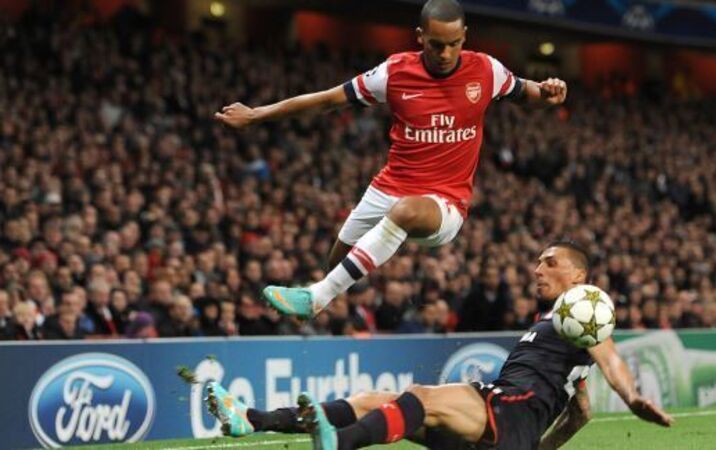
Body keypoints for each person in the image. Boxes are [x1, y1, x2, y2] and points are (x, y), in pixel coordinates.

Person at [214, 0, 568, 319]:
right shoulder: (394, 73)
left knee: (405, 213)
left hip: (445, 201)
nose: (446, 53)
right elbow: (327, 100)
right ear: (420, 36)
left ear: (464, 36)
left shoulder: (486, 70)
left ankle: (316, 298)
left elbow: (528, 93)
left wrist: (549, 91)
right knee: (336, 264)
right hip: (390, 186)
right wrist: (257, 114)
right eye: (436, 44)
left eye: (454, 43)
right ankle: (318, 317)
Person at [203, 241, 673, 449]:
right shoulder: (559, 324)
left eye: (549, 262)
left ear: (579, 276)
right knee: (374, 401)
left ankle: (339, 444)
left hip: (510, 412)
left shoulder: (585, 313)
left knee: (421, 397)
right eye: (537, 262)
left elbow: (610, 358)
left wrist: (632, 397)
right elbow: (581, 411)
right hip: (508, 429)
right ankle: (253, 420)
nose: (537, 269)